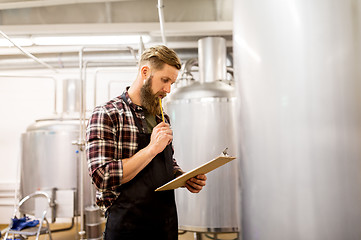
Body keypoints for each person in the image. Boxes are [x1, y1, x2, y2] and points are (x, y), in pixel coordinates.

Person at [86, 45, 207, 240]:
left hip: (165, 225)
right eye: (164, 80)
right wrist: (151, 149)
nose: (167, 89)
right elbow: (102, 176)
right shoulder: (108, 114)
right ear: (145, 72)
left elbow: (166, 162)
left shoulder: (161, 117)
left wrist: (183, 177)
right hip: (127, 228)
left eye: (171, 83)